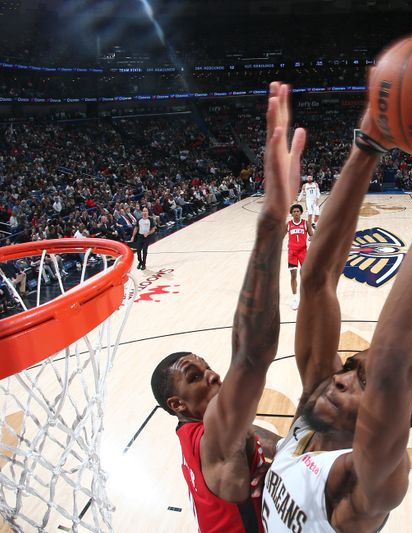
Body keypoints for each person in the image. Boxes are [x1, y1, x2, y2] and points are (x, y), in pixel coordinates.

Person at [261, 64, 412, 532]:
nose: (340, 378)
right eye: (351, 367)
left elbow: (396, 363)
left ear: (394, 418)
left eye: (362, 383)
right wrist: (366, 146)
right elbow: (317, 283)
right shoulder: (314, 414)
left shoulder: (371, 481)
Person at [149, 82, 305, 533]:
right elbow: (252, 354)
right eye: (195, 377)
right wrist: (271, 226)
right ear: (178, 403)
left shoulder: (217, 429)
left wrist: (297, 444)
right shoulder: (211, 436)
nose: (213, 374)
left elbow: (260, 438)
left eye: (203, 366)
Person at [286, 203, 313, 310]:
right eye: (294, 211)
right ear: (291, 214)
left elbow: (312, 235)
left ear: (301, 213)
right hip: (292, 253)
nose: (296, 213)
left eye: (297, 211)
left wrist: (312, 238)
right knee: (293, 276)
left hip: (303, 252)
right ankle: (295, 298)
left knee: (305, 275)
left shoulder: (306, 223)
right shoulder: (288, 224)